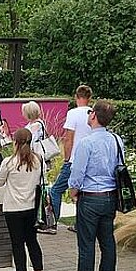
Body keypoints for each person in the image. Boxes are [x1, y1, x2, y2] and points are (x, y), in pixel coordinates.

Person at [68, 100, 121, 271]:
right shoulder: (116, 140)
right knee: (107, 241)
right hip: (110, 196)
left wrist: (73, 191)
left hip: (90, 197)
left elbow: (78, 173)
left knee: (86, 243)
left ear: (93, 115)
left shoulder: (86, 143)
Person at [0, 128, 45, 271]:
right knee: (32, 240)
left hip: (13, 208)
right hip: (31, 207)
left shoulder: (9, 162)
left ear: (15, 142)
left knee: (17, 241)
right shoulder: (38, 160)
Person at [50, 85, 93, 232]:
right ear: (89, 98)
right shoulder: (93, 114)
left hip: (74, 159)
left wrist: (67, 158)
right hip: (89, 159)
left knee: (56, 190)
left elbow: (69, 138)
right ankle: (80, 224)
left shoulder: (73, 113)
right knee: (83, 192)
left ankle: (52, 222)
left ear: (76, 97)